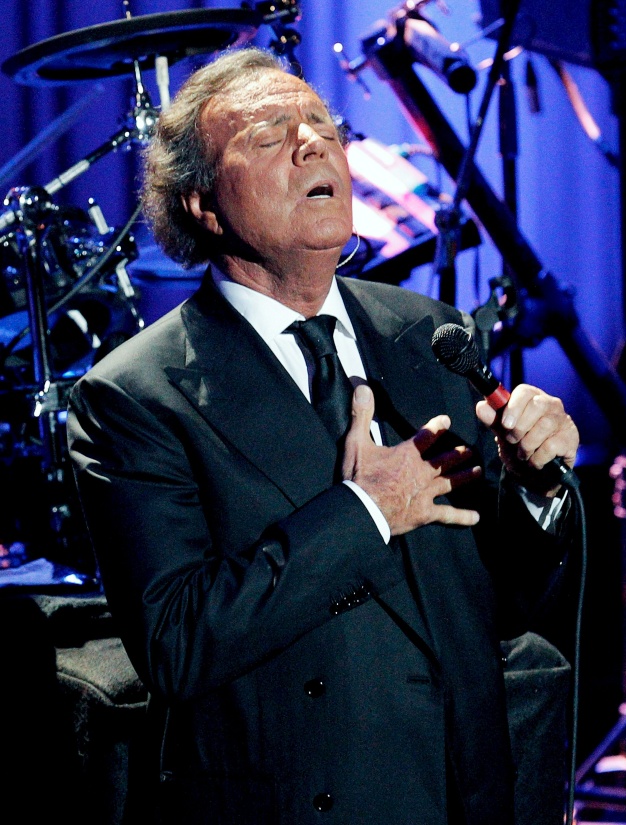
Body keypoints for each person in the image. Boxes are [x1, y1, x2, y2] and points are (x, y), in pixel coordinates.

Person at [66, 46, 580, 825]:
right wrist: (364, 512)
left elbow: (502, 604)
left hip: (460, 796)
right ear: (203, 205)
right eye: (269, 135)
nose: (313, 143)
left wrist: (536, 487)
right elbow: (177, 643)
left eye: (322, 124)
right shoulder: (134, 395)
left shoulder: (430, 334)